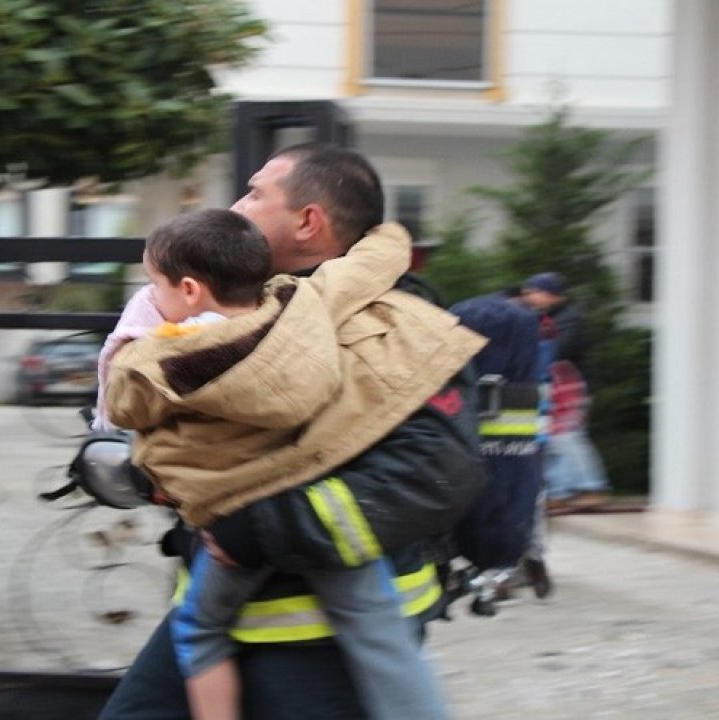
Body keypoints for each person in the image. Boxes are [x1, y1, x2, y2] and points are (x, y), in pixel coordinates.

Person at [98, 143, 489, 720]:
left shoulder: (400, 328)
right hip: (212, 621)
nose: (237, 205)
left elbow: (434, 474)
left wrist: (257, 527)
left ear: (309, 222)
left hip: (327, 644)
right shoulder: (231, 318)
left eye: (256, 193)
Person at [447, 288, 552, 611]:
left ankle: (510, 566)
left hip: (473, 445)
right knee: (525, 498)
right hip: (520, 447)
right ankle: (520, 562)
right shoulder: (526, 329)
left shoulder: (470, 319)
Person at [520, 272, 610, 509]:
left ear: (551, 294)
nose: (529, 296)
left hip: (572, 390)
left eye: (535, 291)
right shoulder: (548, 317)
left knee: (568, 438)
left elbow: (559, 351)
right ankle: (560, 491)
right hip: (555, 388)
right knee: (550, 439)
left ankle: (591, 486)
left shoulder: (570, 319)